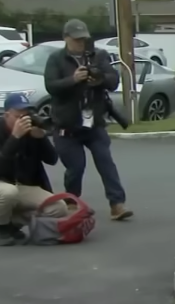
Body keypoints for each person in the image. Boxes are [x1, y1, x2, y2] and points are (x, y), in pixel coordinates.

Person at [44, 19, 133, 221]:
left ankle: (117, 204)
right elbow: (51, 86)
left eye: (83, 39)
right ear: (66, 38)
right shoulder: (56, 59)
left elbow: (113, 80)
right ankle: (72, 202)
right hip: (67, 125)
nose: (80, 43)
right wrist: (73, 80)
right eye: (76, 40)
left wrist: (98, 78)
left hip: (94, 122)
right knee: (76, 167)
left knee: (106, 162)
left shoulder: (98, 55)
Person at [0, 93, 69, 246]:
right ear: (7, 115)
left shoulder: (31, 131)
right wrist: (15, 137)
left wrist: (41, 139)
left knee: (59, 207)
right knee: (8, 193)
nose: (23, 120)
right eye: (18, 116)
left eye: (26, 115)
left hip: (23, 186)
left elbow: (52, 159)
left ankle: (12, 223)